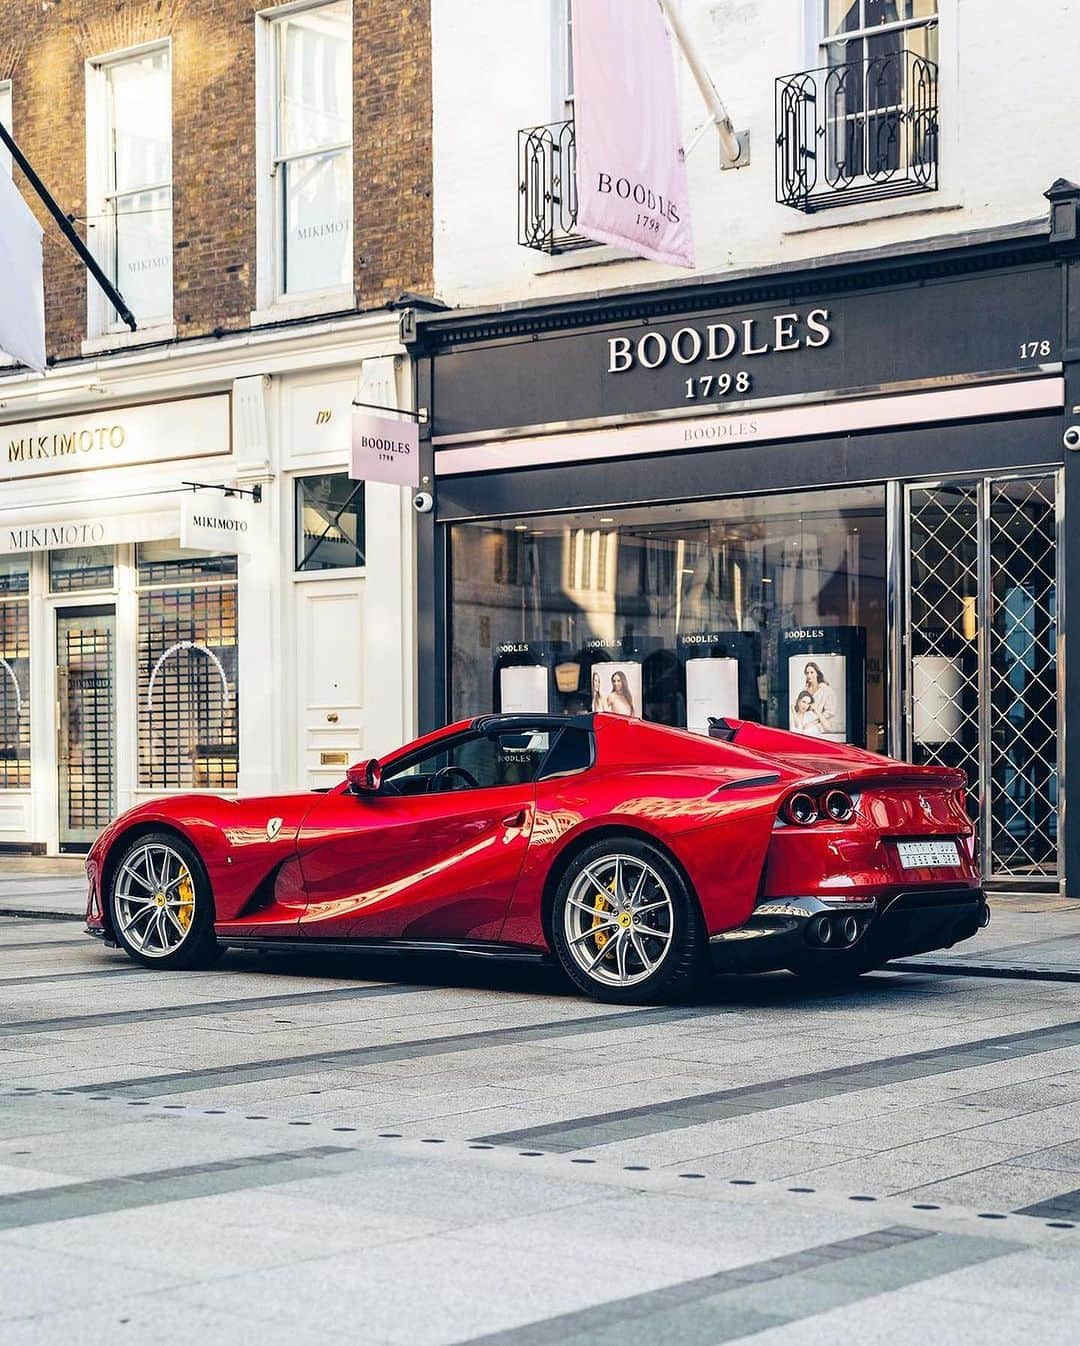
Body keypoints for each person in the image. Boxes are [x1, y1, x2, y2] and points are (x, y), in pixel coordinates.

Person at [803, 661, 837, 736]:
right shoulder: (805, 690)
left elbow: (830, 713)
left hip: (821, 724)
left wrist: (812, 723)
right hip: (806, 722)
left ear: (817, 673)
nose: (809, 675)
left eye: (812, 672)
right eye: (807, 673)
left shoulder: (826, 690)